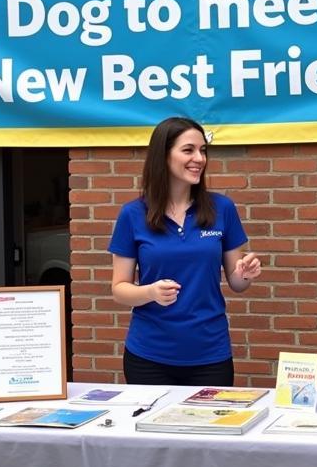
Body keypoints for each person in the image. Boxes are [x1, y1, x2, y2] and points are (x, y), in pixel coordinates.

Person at [109, 116, 262, 386]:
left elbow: (237, 283)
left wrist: (245, 273)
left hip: (210, 355)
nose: (199, 158)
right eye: (188, 150)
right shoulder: (132, 214)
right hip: (149, 357)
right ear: (163, 155)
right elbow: (119, 288)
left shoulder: (222, 208)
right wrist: (150, 292)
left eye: (203, 150)